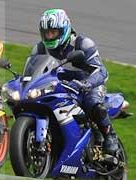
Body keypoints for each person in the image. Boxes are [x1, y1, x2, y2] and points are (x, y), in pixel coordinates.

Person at [31, 8, 118, 156]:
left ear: (64, 29)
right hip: (59, 85)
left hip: (88, 84)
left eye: (54, 32)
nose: (50, 36)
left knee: (92, 103)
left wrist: (88, 83)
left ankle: (110, 135)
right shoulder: (40, 48)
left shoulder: (83, 44)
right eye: (47, 33)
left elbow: (101, 71)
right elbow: (34, 72)